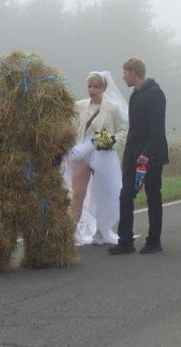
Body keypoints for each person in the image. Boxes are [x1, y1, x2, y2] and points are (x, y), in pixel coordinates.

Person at [108, 57, 169, 255]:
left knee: (152, 194)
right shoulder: (134, 95)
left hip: (150, 155)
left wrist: (147, 153)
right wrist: (129, 154)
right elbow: (134, 129)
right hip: (133, 154)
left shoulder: (155, 94)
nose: (123, 76)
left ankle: (154, 240)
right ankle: (125, 241)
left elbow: (157, 128)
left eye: (124, 72)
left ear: (133, 73)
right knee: (126, 194)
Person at [64, 72, 128, 246]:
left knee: (103, 194)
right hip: (81, 153)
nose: (92, 90)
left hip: (103, 154)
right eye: (90, 86)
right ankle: (70, 232)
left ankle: (102, 230)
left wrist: (111, 142)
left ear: (104, 89)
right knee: (77, 193)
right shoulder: (79, 106)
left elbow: (122, 130)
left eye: (96, 87)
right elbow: (69, 123)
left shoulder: (113, 108)